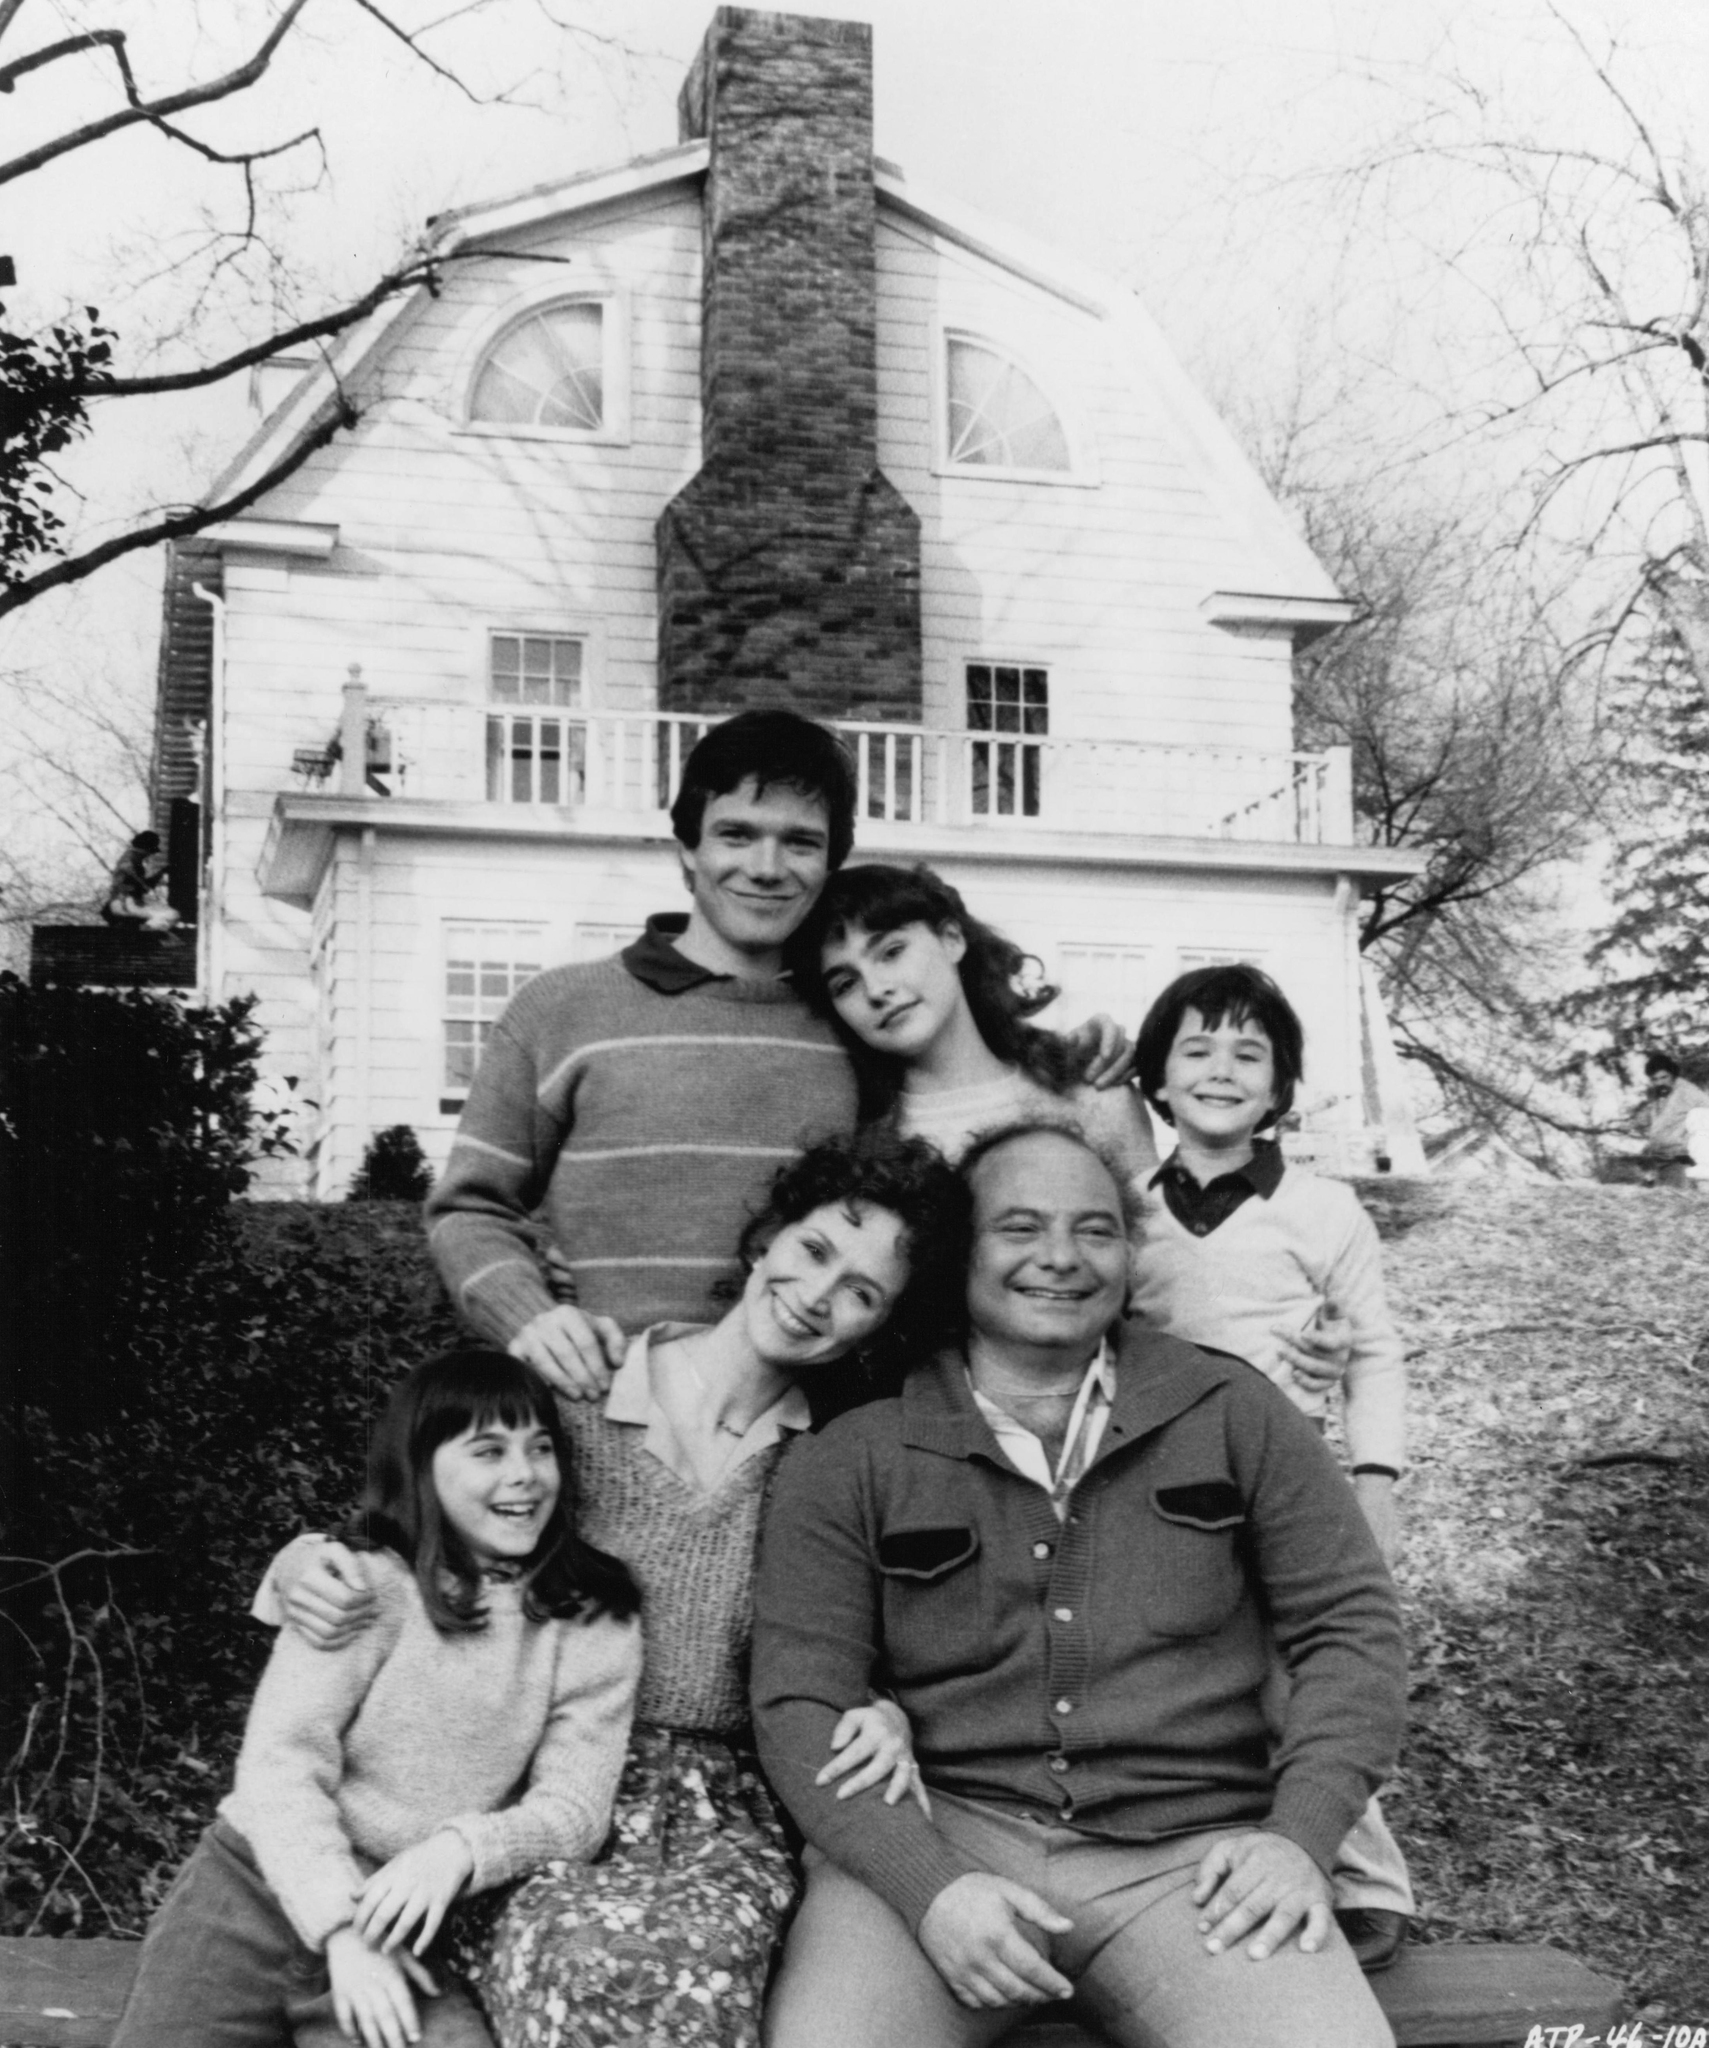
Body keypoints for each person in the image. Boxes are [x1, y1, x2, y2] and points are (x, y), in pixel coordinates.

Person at [269, 1131, 970, 2048]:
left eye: (861, 1293)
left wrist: (881, 1709)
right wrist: (294, 1567)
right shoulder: (577, 1391)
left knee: (689, 1964)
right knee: (572, 1949)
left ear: (880, 1326)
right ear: (766, 1239)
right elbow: (417, 1532)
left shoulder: (829, 1463)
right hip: (532, 1775)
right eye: (813, 1250)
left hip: (718, 1813)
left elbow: (849, 1637)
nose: (817, 1295)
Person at [751, 1121, 1406, 2048]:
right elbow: (795, 1695)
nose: (1060, 1258)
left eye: (1094, 1230)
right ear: (957, 1254)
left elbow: (1353, 1631)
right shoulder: (857, 1448)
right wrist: (927, 1887)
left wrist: (1298, 1836)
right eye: (1018, 1228)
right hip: (939, 1844)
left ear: (1129, 1254)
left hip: (1196, 1864)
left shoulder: (1229, 1409)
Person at [426, 713, 1127, 1408]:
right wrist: (530, 1313)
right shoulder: (560, 1010)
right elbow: (468, 1207)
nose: (765, 868)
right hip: (602, 1411)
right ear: (686, 853)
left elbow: (961, 1085)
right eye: (736, 834)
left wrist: (1079, 1057)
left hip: (806, 1437)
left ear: (827, 865)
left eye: (799, 842)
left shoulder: (851, 1021)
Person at [114, 1349, 643, 2048]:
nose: (525, 1474)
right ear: (422, 1468)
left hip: (402, 1916)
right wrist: (336, 1925)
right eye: (488, 1450)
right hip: (249, 1890)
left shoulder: (591, 1614)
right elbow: (279, 1767)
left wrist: (457, 1852)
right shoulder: (359, 1579)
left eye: (540, 1448)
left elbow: (575, 1809)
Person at [1126, 962, 1412, 1967]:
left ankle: (1366, 1881)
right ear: (1155, 1079)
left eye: (1248, 1051)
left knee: (1306, 1675)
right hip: (1157, 1488)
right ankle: (1205, 1857)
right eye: (1195, 1048)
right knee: (1200, 1676)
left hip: (1286, 1482)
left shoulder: (1323, 1209)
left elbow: (1370, 1345)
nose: (1219, 1067)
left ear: (1279, 1085)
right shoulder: (1123, 1210)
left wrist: (1374, 1477)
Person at [788, 861, 1158, 1184]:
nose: (876, 989)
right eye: (846, 983)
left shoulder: (1094, 1097)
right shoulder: (860, 1143)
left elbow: (1156, 1255)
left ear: (951, 939)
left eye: (892, 952)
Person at [1638, 1051, 1709, 1187]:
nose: (1659, 1082)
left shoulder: (1687, 1092)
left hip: (1679, 1161)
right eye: (1655, 1079)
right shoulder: (1657, 1095)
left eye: (1664, 1077)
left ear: (1673, 1075)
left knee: (1679, 1202)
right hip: (1659, 1161)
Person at [102, 829, 181, 931]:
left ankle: (147, 931)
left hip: (128, 901)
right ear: (145, 849)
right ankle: (146, 932)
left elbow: (143, 887)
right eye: (149, 851)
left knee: (167, 915)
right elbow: (134, 878)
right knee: (172, 915)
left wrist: (160, 873)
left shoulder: (135, 861)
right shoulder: (129, 859)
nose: (149, 855)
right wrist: (143, 883)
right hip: (124, 902)